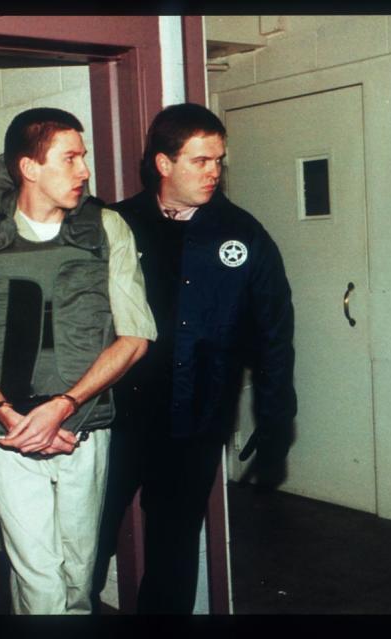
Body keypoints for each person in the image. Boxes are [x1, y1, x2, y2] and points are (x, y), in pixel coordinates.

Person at [0, 107, 156, 614]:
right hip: (8, 432)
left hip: (83, 427)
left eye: (84, 158)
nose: (84, 171)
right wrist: (7, 414)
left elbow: (136, 336)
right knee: (39, 578)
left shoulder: (108, 229)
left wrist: (63, 407)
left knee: (78, 576)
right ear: (29, 167)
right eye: (70, 158)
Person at [92, 103, 298, 614]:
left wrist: (275, 419)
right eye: (200, 160)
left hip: (196, 424)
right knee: (87, 543)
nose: (214, 172)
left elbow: (275, 335)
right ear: (164, 163)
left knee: (174, 554)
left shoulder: (243, 236)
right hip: (119, 421)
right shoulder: (116, 225)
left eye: (219, 161)